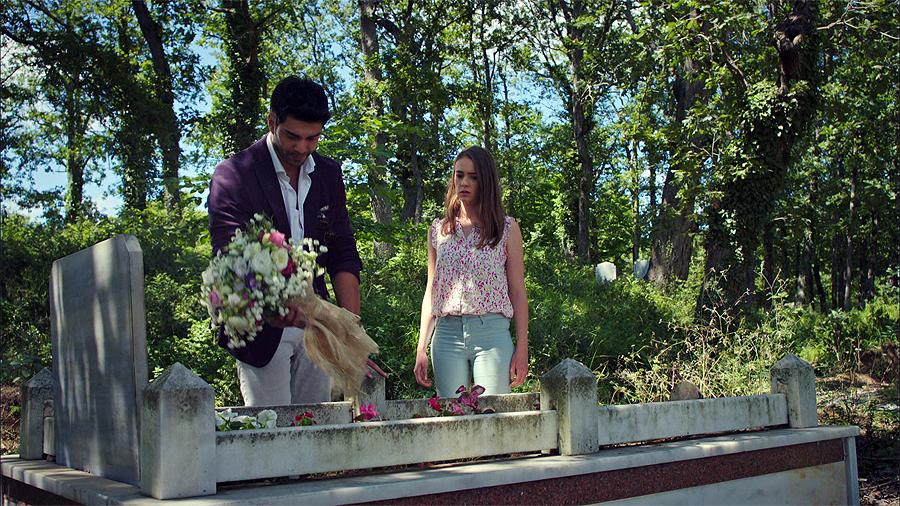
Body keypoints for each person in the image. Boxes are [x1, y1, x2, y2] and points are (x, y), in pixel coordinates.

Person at [208, 76, 383, 406]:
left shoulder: (329, 174)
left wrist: (350, 332)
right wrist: (278, 306)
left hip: (318, 329)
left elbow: (342, 252)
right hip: (260, 331)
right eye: (292, 136)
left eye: (312, 138)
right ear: (272, 122)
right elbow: (229, 255)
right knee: (271, 428)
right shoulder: (234, 175)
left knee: (317, 426)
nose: (302, 148)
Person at [413, 146, 529, 396]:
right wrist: (421, 347)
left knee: (492, 413)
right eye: (459, 175)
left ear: (485, 181)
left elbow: (518, 291)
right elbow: (432, 290)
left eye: (473, 177)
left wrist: (522, 347)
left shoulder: (506, 229)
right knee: (452, 414)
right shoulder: (439, 231)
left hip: (492, 335)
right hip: (447, 335)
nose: (464, 182)